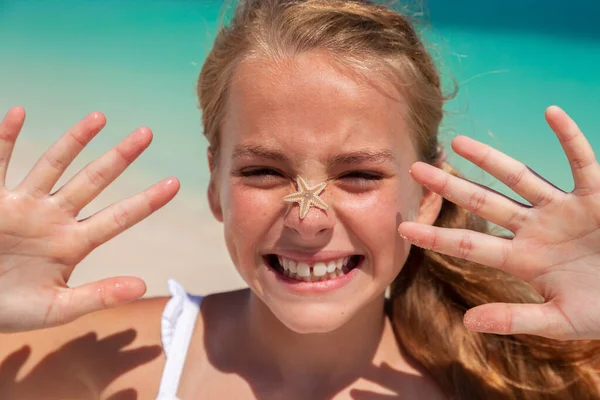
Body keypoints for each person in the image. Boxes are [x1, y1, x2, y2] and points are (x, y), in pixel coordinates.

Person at [1, 0, 599, 398]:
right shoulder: (100, 366)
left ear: (426, 196)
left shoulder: (518, 381)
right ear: (215, 182)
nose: (308, 219)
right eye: (263, 171)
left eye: (360, 175)